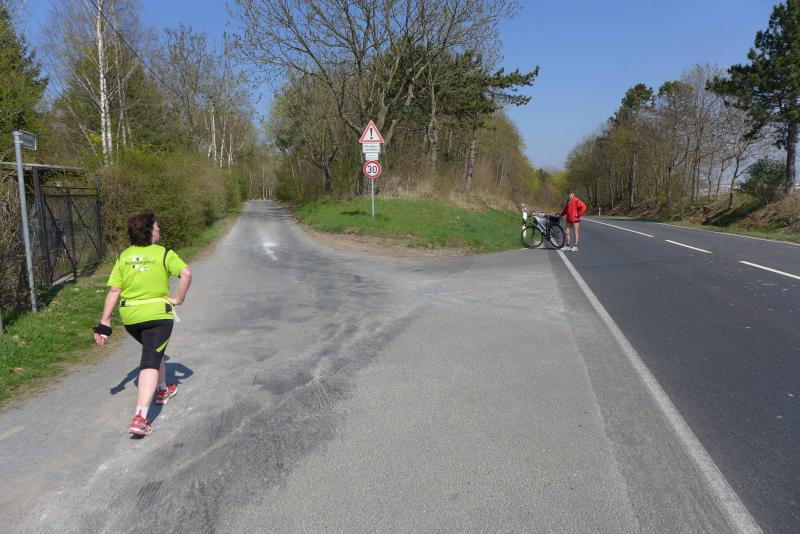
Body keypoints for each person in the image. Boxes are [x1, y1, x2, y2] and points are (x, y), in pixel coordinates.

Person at [94, 211, 192, 436]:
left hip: (131, 319)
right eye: (156, 226)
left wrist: (104, 323)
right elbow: (186, 273)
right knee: (150, 361)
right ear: (149, 231)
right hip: (157, 316)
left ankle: (163, 389)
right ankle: (140, 417)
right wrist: (179, 299)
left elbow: (115, 290)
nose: (159, 229)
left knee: (154, 352)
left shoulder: (124, 256)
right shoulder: (164, 253)